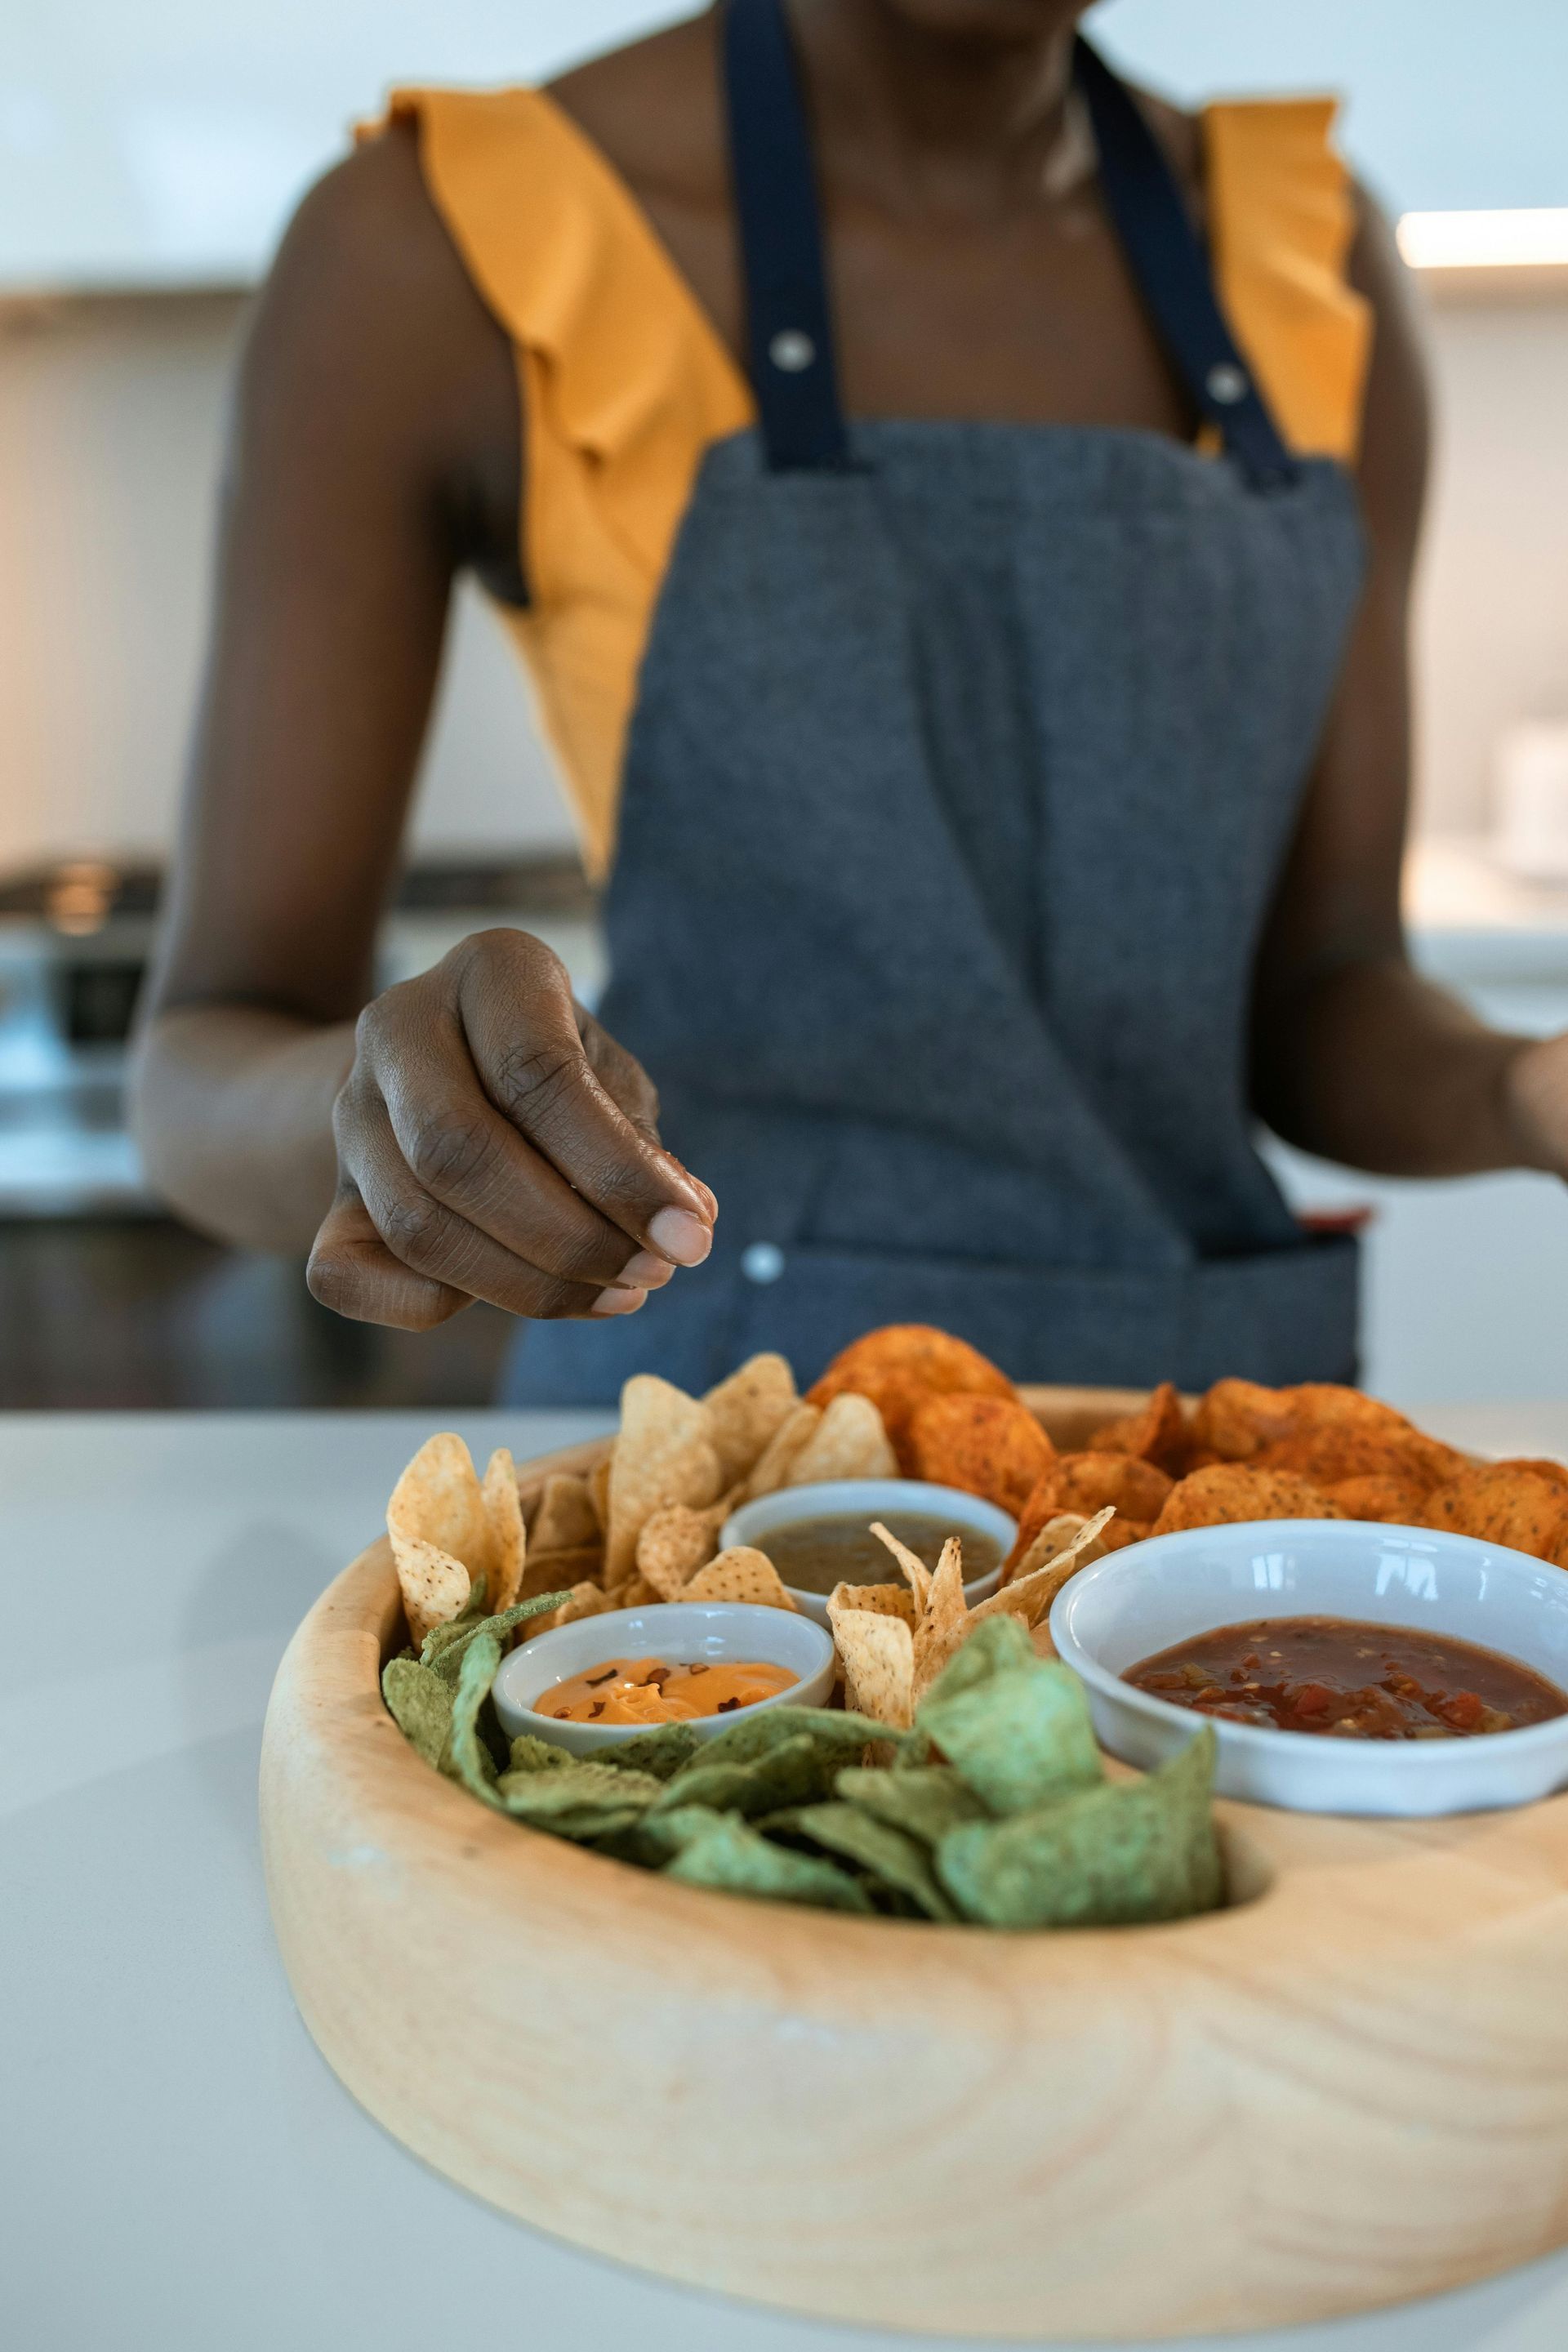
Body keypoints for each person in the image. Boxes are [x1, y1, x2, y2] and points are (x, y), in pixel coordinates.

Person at [131, 0, 1568, 1401]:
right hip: (709, 1484)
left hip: (1193, 1506)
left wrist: (1523, 1090)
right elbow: (206, 1056)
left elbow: (1325, 996)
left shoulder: (1313, 263)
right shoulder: (432, 249)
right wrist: (388, 1105)